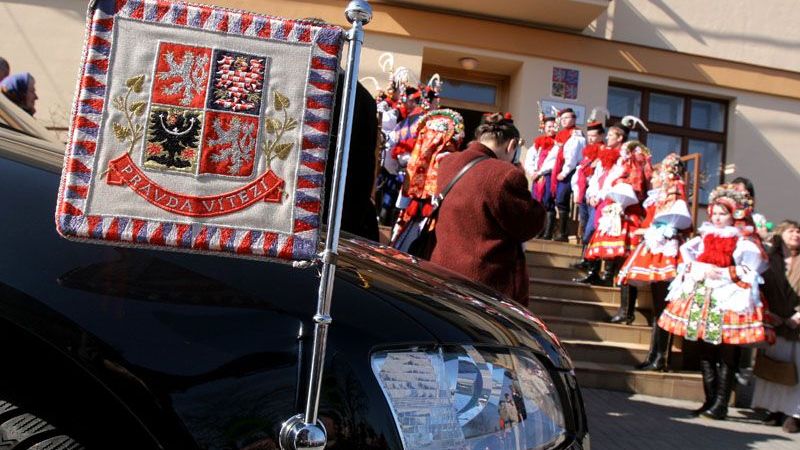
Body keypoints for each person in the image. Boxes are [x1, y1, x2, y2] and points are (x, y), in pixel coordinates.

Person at [658, 183, 771, 420]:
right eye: (715, 213)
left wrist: (724, 272)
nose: (718, 218)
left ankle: (721, 403)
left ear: (733, 216)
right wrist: (701, 268)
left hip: (728, 296)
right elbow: (687, 256)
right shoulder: (704, 236)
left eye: (723, 214)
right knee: (705, 347)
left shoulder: (742, 240)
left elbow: (752, 266)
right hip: (704, 293)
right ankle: (709, 399)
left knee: (727, 350)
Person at [430, 113, 545, 305]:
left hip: (441, 273)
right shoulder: (506, 174)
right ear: (512, 146)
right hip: (483, 285)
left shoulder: (447, 162)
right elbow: (530, 225)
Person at [614, 154, 692, 368]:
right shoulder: (660, 194)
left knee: (662, 305)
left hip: (665, 247)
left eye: (658, 173)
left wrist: (654, 230)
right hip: (654, 244)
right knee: (659, 305)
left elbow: (677, 220)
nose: (654, 177)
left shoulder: (675, 188)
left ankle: (660, 357)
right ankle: (655, 356)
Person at [577, 117, 650, 286]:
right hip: (606, 200)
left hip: (618, 203)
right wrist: (591, 193)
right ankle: (594, 271)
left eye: (611, 135)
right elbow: (598, 177)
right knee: (600, 234)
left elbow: (626, 179)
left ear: (620, 138)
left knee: (607, 235)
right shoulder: (605, 155)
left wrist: (604, 195)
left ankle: (607, 274)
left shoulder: (627, 157)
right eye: (608, 134)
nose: (607, 138)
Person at [391, 109, 464, 251]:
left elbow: (409, 182)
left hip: (424, 209)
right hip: (430, 211)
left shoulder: (421, 154)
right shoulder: (448, 158)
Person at [752, 220, 800, 433]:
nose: (796, 234)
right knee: (774, 368)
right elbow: (759, 286)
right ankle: (775, 409)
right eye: (791, 231)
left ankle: (794, 414)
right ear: (780, 235)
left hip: (796, 324)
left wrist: (798, 316)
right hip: (774, 321)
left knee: (796, 370)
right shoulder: (770, 260)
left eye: (799, 231)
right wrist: (768, 313)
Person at [570, 114, 604, 269]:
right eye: (588, 136)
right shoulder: (587, 152)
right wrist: (577, 189)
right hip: (585, 193)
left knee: (591, 228)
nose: (591, 139)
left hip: (596, 195)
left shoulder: (604, 152)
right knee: (585, 225)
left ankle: (590, 261)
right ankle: (585, 259)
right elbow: (579, 172)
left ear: (601, 136)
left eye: (594, 136)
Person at [548, 108, 585, 241]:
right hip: (563, 169)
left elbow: (572, 156)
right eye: (562, 118)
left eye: (567, 118)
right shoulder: (562, 135)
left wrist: (564, 173)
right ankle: (561, 231)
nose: (564, 120)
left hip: (572, 170)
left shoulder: (576, 135)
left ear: (574, 119)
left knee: (563, 198)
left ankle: (564, 233)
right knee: (560, 200)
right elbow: (555, 154)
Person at [522, 113, 556, 230]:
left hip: (549, 176)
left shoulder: (558, 144)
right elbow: (530, 158)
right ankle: (536, 229)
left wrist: (541, 172)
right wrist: (532, 172)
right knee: (536, 201)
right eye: (548, 126)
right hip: (537, 177)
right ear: (544, 128)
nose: (551, 129)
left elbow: (554, 161)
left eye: (553, 126)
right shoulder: (538, 143)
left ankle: (547, 231)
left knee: (548, 202)